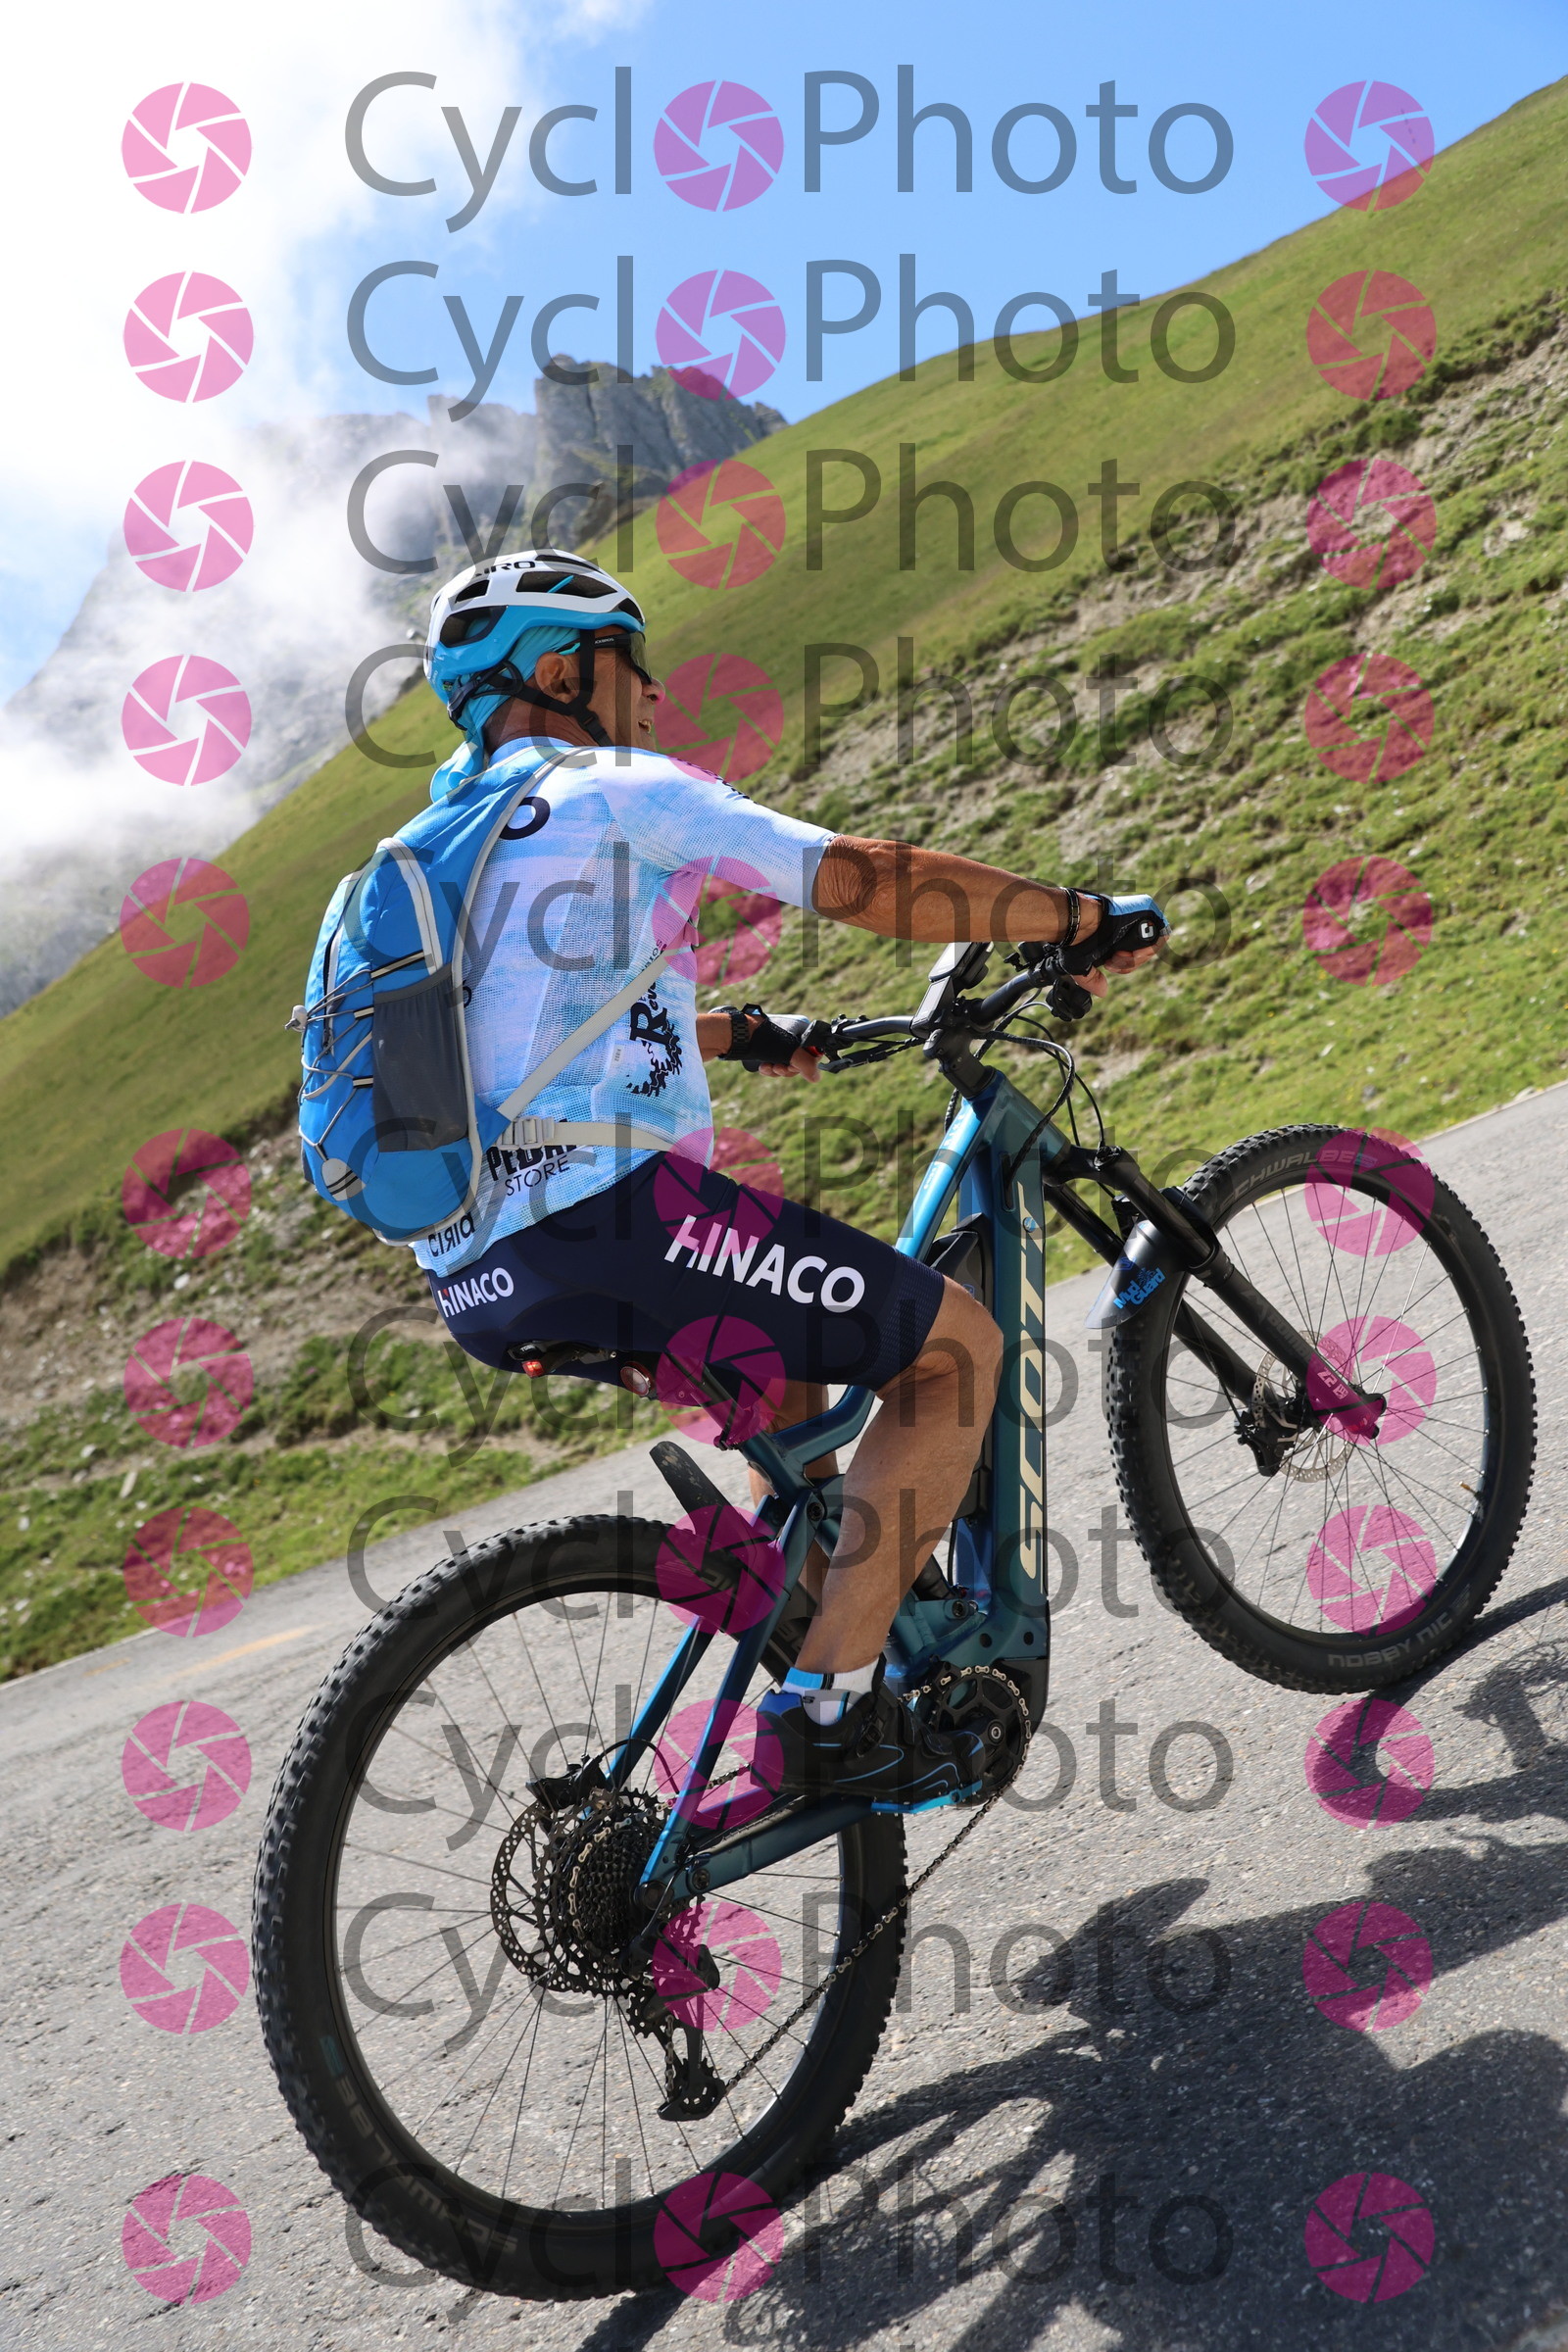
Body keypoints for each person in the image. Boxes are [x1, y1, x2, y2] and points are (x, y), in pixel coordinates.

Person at [416, 548, 1159, 1809]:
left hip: (477, 1270)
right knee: (956, 1353)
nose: (653, 693)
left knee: (795, 1386)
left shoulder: (440, 846)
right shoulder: (616, 788)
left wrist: (734, 1033)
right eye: (628, 663)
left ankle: (835, 1635)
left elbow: (499, 1036)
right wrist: (1072, 917)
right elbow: (861, 877)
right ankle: (825, 1713)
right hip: (614, 1221)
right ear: (560, 673)